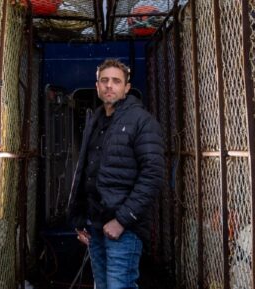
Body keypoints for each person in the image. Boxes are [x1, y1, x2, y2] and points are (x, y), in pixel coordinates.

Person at [67, 58, 165, 289]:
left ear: (126, 88)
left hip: (124, 228)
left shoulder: (142, 122)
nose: (109, 85)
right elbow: (85, 173)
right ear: (97, 86)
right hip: (95, 224)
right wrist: (80, 220)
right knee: (102, 285)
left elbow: (153, 175)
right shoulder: (96, 120)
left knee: (119, 286)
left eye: (116, 81)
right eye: (104, 81)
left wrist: (121, 220)